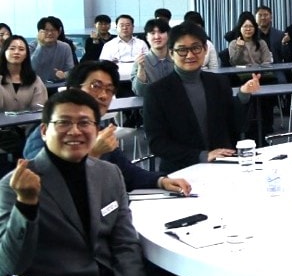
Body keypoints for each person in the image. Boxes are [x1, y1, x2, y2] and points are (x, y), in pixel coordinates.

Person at [0, 89, 219, 276]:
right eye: (64, 122)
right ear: (44, 129)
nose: (75, 131)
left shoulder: (107, 173)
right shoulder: (15, 185)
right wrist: (26, 205)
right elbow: (10, 264)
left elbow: (124, 242)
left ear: (96, 128)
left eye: (84, 123)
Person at [23, 61, 191, 194]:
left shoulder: (99, 129)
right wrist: (94, 153)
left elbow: (126, 171)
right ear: (73, 89)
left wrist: (160, 181)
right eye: (95, 86)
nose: (103, 95)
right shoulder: (48, 134)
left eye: (109, 90)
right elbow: (48, 186)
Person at [143, 22, 261, 175]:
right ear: (171, 53)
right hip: (181, 172)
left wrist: (243, 95)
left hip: (223, 165)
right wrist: (202, 155)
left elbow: (235, 126)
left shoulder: (219, 82)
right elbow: (157, 143)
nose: (190, 55)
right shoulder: (157, 92)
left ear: (205, 49)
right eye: (182, 50)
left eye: (196, 48)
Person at [0, 35, 47, 112]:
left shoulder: (35, 80)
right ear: (4, 52)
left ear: (26, 55)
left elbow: (40, 109)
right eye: (12, 48)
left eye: (21, 49)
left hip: (30, 120)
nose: (16, 52)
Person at [99, 14, 150, 80]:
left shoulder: (141, 43)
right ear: (116, 27)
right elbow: (103, 65)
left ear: (133, 27)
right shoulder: (108, 45)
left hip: (138, 80)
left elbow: (148, 62)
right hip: (116, 80)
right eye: (121, 25)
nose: (125, 28)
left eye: (128, 25)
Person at [132, 19, 174, 98]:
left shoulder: (177, 57)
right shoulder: (140, 61)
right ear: (147, 37)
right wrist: (141, 68)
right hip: (152, 103)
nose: (157, 37)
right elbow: (139, 92)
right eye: (152, 33)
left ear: (168, 35)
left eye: (161, 32)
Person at [29, 16, 75, 83]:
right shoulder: (31, 47)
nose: (50, 33)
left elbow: (72, 71)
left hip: (58, 85)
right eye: (46, 30)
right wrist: (40, 45)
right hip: (36, 85)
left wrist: (64, 74)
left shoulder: (65, 47)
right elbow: (31, 68)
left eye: (53, 30)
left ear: (59, 32)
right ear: (39, 32)